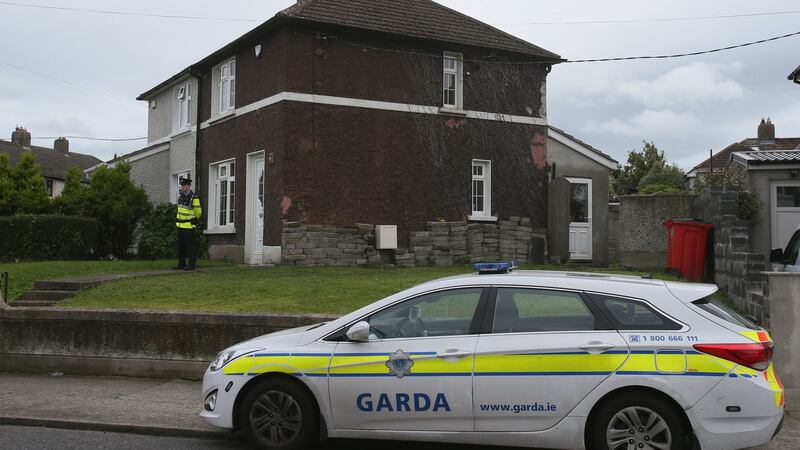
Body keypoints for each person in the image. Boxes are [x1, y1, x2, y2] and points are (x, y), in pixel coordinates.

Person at [173, 177, 202, 271]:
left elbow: (198, 212)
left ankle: (191, 264)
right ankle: (181, 264)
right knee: (180, 247)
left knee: (190, 247)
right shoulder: (180, 196)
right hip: (180, 225)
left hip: (189, 226)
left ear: (189, 186)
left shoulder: (194, 198)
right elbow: (179, 210)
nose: (182, 187)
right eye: (181, 185)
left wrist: (193, 220)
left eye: (183, 185)